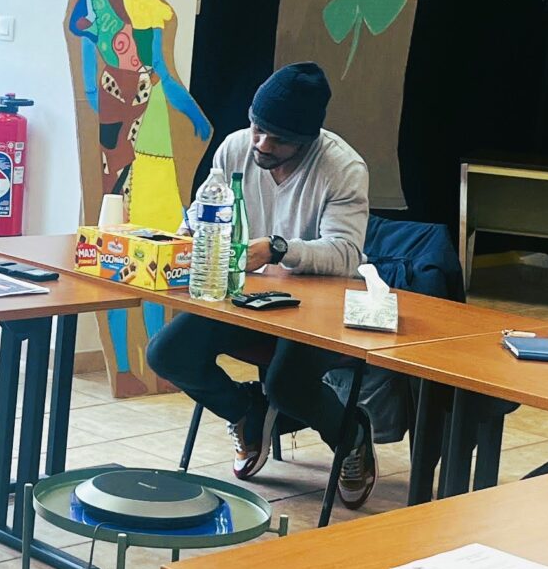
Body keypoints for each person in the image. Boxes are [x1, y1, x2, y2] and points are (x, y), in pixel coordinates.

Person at [146, 62, 379, 503]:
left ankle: (351, 433)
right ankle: (249, 413)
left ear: (308, 139)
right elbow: (201, 214)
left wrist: (277, 249)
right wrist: (184, 237)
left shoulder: (343, 167)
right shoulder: (236, 148)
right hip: (249, 297)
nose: (262, 144)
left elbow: (346, 254)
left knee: (287, 385)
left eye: (279, 139)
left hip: (321, 307)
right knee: (167, 353)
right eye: (258, 129)